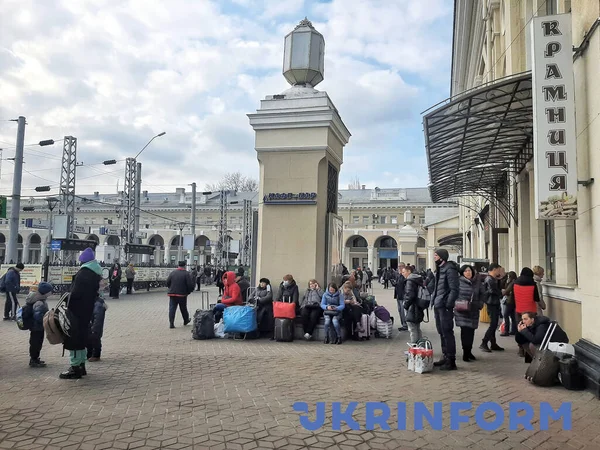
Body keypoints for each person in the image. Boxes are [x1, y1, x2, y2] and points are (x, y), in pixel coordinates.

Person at [60, 248, 102, 379]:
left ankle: (75, 367)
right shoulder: (94, 273)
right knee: (82, 337)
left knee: (74, 340)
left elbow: (76, 294)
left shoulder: (84, 274)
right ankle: (81, 365)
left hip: (77, 311)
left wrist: (66, 297)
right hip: (86, 311)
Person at [432, 248, 459, 371]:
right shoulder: (440, 269)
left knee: (447, 332)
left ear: (442, 257)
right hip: (438, 305)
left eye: (436, 255)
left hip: (444, 307)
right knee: (441, 331)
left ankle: (451, 360)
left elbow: (454, 289)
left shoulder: (450, 269)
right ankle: (445, 356)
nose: (434, 257)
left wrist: (448, 304)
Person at [454, 265, 485, 362]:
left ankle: (469, 351)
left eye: (470, 271)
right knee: (465, 332)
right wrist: (458, 302)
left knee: (471, 332)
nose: (468, 272)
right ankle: (465, 353)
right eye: (466, 271)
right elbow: (454, 294)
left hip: (473, 310)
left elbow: (482, 294)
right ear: (462, 272)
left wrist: (480, 304)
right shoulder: (458, 282)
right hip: (462, 310)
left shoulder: (477, 282)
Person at [25, 281, 52, 368]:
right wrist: (46, 319)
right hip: (37, 326)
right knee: (36, 343)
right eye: (50, 291)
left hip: (36, 326)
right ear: (46, 292)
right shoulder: (39, 302)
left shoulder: (38, 298)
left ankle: (35, 358)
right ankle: (33, 360)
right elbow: (38, 316)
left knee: (35, 342)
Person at [480, 263, 504, 353]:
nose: (500, 271)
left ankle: (493, 343)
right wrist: (501, 293)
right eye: (499, 270)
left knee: (494, 323)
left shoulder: (493, 279)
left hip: (493, 302)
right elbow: (492, 290)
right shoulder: (489, 279)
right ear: (494, 269)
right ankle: (484, 342)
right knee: (493, 324)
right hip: (491, 303)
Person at [166, 261, 195, 329]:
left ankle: (171, 323)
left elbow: (167, 282)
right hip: (182, 294)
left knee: (172, 308)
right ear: (184, 266)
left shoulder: (173, 273)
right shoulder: (186, 274)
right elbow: (190, 284)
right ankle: (186, 320)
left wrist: (171, 288)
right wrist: (189, 291)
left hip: (172, 293)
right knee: (183, 308)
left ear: (178, 266)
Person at [402, 265, 425, 344]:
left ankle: (414, 347)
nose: (402, 274)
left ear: (409, 271)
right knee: (417, 327)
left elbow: (410, 295)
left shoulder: (410, 281)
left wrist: (405, 305)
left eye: (404, 272)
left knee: (412, 328)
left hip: (412, 307)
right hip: (418, 306)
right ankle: (421, 345)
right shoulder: (417, 279)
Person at [87, 291, 108, 362]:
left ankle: (95, 355)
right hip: (93, 323)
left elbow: (98, 318)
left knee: (94, 336)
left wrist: (94, 328)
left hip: (95, 325)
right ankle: (91, 354)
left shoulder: (97, 304)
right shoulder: (95, 302)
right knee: (92, 336)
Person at [500, 271, 518, 336]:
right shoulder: (515, 282)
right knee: (512, 316)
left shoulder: (512, 283)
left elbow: (506, 291)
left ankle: (506, 330)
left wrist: (502, 293)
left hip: (510, 301)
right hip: (514, 301)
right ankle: (514, 330)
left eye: (508, 277)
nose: (508, 278)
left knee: (505, 315)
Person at [394, 263, 408, 332]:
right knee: (400, 310)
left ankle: (405, 324)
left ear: (403, 267)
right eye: (398, 266)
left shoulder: (404, 275)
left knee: (403, 311)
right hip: (398, 295)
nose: (399, 268)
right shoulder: (399, 275)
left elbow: (404, 284)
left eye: (400, 266)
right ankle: (403, 324)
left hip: (403, 296)